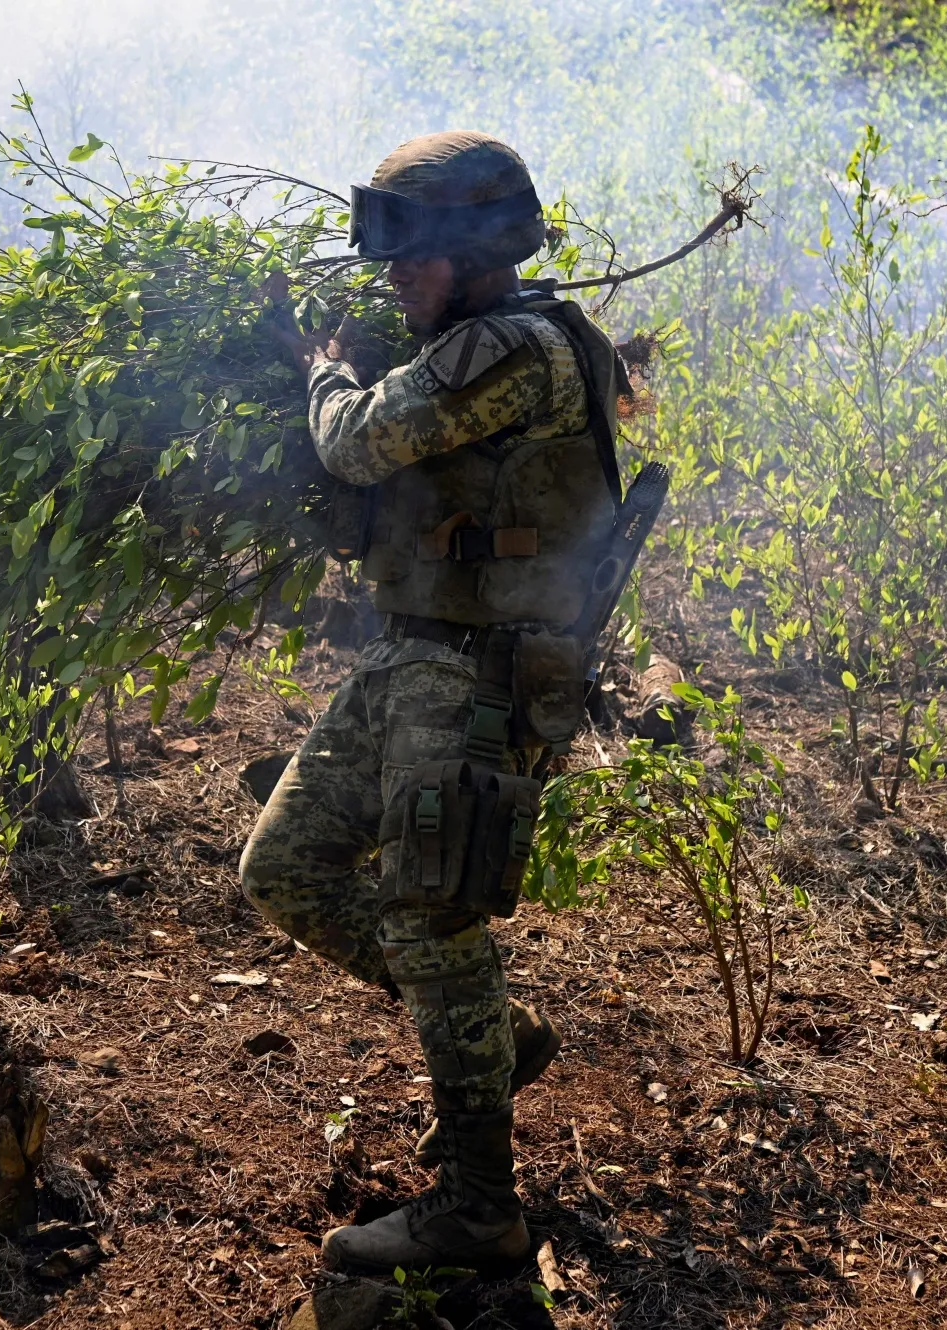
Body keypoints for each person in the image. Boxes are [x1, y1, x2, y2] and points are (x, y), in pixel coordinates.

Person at [241, 130, 627, 1273]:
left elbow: (357, 441)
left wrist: (320, 364)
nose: (392, 274)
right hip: (416, 658)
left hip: (483, 678)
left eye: (412, 252)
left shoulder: (511, 348)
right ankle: (494, 1038)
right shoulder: (473, 338)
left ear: (474, 249)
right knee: (284, 868)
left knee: (426, 917)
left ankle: (476, 1207)